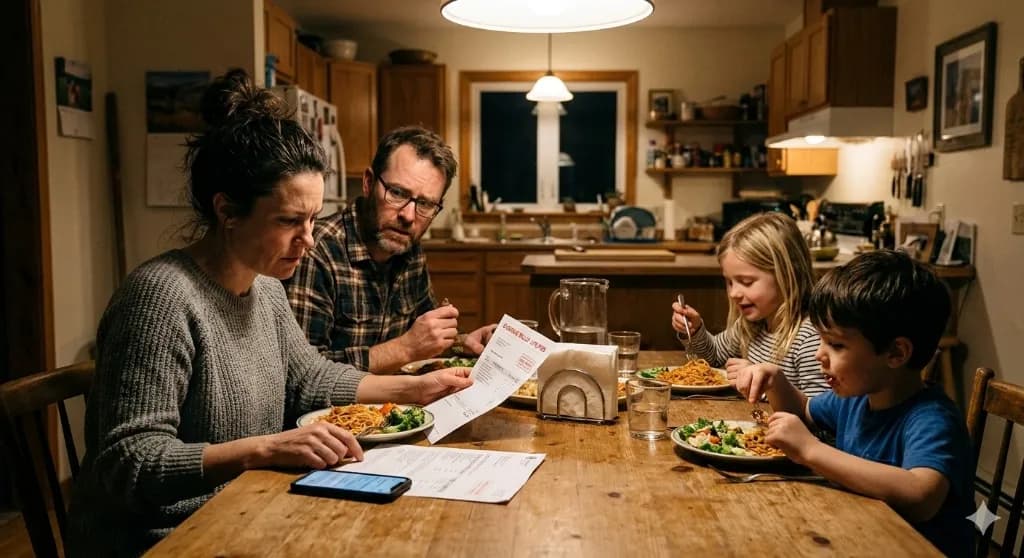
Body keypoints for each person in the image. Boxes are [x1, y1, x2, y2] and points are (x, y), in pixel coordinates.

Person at [68, 70, 472, 557]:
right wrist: (263, 449)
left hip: (244, 511)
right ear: (228, 211)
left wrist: (418, 388)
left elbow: (312, 378)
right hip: (166, 539)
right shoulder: (160, 298)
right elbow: (127, 462)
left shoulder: (265, 288)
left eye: (311, 217)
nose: (307, 238)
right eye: (288, 221)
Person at [735, 250, 973, 557]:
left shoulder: (932, 418)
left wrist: (812, 451)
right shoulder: (856, 399)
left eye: (836, 344)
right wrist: (776, 380)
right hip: (859, 538)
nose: (820, 354)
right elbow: (802, 412)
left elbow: (921, 495)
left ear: (896, 353)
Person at [284, 125, 495, 374]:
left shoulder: (409, 248)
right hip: (334, 412)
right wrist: (405, 349)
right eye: (397, 193)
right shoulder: (316, 250)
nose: (408, 215)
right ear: (368, 183)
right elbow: (300, 374)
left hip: (395, 402)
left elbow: (423, 339)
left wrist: (461, 344)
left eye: (425, 204)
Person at [670, 212, 829, 397]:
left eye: (746, 282)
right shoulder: (751, 325)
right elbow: (711, 357)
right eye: (729, 282)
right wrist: (695, 330)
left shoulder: (810, 338)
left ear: (786, 276)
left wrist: (761, 383)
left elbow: (821, 414)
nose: (733, 293)